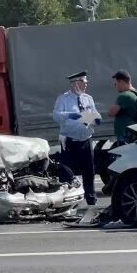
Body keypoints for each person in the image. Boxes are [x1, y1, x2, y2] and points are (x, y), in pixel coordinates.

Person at [52, 71, 101, 206]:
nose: (86, 85)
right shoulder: (63, 99)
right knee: (66, 171)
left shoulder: (88, 98)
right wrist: (69, 115)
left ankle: (91, 200)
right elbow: (56, 116)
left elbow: (96, 116)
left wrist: (94, 119)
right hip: (70, 141)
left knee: (89, 171)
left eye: (86, 83)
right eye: (84, 82)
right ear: (75, 83)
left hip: (85, 139)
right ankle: (67, 201)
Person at [108, 70, 137, 145]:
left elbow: (111, 113)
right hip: (132, 134)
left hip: (125, 136)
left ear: (121, 82)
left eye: (116, 83)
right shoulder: (136, 93)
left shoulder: (124, 96)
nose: (115, 86)